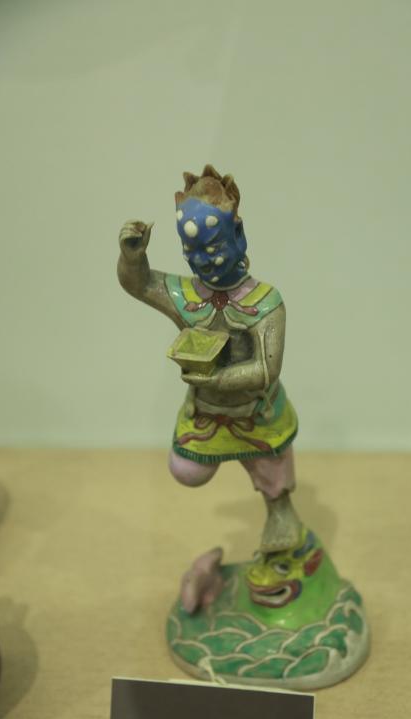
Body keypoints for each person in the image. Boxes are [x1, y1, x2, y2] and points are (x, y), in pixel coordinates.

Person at [118, 165, 302, 552]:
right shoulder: (186, 296)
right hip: (206, 413)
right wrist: (132, 258)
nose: (201, 259)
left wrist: (219, 379)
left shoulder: (265, 304)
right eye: (191, 250)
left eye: (212, 248)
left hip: (257, 410)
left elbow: (266, 368)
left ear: (238, 235)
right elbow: (142, 284)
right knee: (186, 470)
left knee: (272, 466)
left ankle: (280, 512)